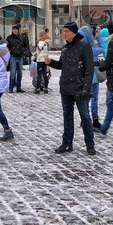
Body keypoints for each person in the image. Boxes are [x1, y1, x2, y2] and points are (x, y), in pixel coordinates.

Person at [45, 21, 96, 156]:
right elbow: (62, 65)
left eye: (66, 31)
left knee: (85, 116)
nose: (64, 34)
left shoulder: (84, 47)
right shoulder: (65, 48)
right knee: (67, 117)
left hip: (80, 88)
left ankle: (90, 144)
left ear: (74, 32)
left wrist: (86, 88)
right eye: (63, 31)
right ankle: (67, 143)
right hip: (66, 88)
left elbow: (89, 70)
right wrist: (52, 62)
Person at [78, 25, 105, 128]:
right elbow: (102, 48)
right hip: (93, 77)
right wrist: (98, 36)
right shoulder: (91, 49)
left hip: (82, 77)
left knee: (85, 100)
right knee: (94, 99)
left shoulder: (79, 48)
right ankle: (95, 118)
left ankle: (84, 118)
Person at [6, 25, 25, 93]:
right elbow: (6, 46)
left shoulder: (21, 37)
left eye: (16, 29)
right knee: (13, 73)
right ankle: (11, 87)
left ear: (18, 30)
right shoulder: (9, 38)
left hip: (20, 56)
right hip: (13, 56)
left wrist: (23, 51)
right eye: (13, 29)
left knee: (20, 72)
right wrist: (11, 51)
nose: (14, 30)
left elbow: (25, 45)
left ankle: (18, 87)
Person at [33, 29, 51, 94]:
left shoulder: (40, 42)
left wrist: (34, 57)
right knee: (45, 74)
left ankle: (37, 88)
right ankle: (46, 88)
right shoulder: (47, 43)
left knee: (39, 74)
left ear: (41, 35)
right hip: (46, 60)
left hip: (40, 60)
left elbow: (38, 51)